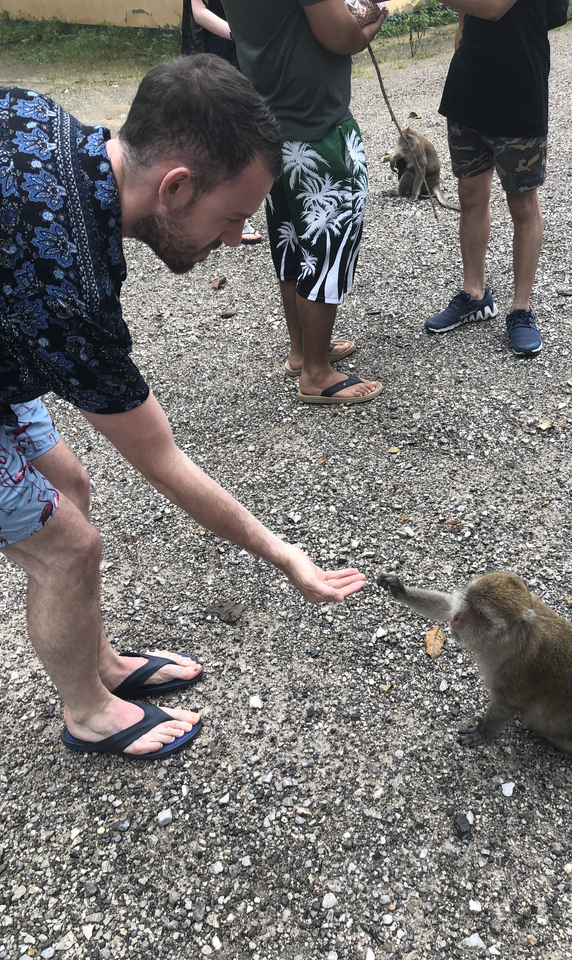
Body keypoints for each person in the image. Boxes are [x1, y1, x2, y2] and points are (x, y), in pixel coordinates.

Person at [0, 56, 366, 761]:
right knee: (68, 548)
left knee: (67, 487)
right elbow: (159, 456)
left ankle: (98, 661)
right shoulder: (67, 281)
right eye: (231, 218)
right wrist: (284, 554)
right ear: (175, 185)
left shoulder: (42, 116)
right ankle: (90, 712)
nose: (235, 240)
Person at [222, 0, 386, 404]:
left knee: (293, 245)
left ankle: (303, 351)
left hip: (273, 130)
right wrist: (376, 17)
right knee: (327, 248)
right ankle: (316, 371)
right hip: (318, 128)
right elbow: (342, 36)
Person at [425, 0, 554, 357]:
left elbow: (493, 7)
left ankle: (521, 308)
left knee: (522, 203)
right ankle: (475, 295)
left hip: (519, 91)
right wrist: (461, 56)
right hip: (468, 92)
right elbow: (467, 15)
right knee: (469, 195)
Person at [184, 0, 264, 244]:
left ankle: (233, 213)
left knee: (247, 134)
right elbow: (198, 13)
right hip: (219, 55)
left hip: (252, 51)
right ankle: (224, 214)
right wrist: (237, 34)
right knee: (217, 135)